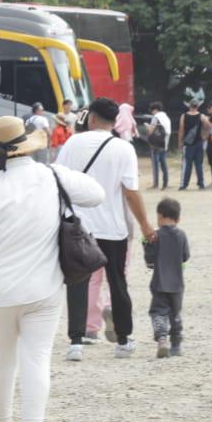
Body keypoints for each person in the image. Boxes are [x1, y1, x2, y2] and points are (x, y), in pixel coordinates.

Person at [0, 117, 103, 422]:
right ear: (28, 146)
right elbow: (95, 194)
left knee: (1, 357)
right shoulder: (51, 176)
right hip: (44, 287)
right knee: (37, 358)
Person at [54, 98, 157, 361]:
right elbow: (131, 192)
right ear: (114, 121)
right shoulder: (124, 149)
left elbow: (59, 181)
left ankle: (76, 341)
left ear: (91, 118)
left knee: (78, 280)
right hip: (113, 227)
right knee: (117, 282)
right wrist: (145, 225)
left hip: (77, 224)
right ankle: (123, 340)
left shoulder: (73, 143)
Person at [143, 197, 190, 358]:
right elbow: (185, 256)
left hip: (159, 283)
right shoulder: (182, 235)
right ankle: (176, 345)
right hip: (177, 284)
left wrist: (146, 246)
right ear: (178, 218)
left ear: (160, 216)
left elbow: (150, 262)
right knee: (175, 314)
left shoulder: (155, 236)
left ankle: (162, 339)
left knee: (158, 312)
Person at [179, 101, 208, 190]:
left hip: (188, 143)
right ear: (197, 107)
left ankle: (184, 184)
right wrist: (205, 136)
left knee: (187, 164)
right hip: (199, 143)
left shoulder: (184, 116)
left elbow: (181, 129)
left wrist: (180, 142)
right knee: (199, 164)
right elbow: (209, 126)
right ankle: (201, 183)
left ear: (189, 106)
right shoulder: (202, 116)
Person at [145, 102, 171, 190]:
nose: (152, 112)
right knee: (163, 163)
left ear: (155, 109)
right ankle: (165, 183)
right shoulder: (166, 117)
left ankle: (155, 184)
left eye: (152, 110)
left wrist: (147, 127)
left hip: (156, 144)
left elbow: (151, 130)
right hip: (164, 143)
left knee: (155, 164)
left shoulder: (156, 117)